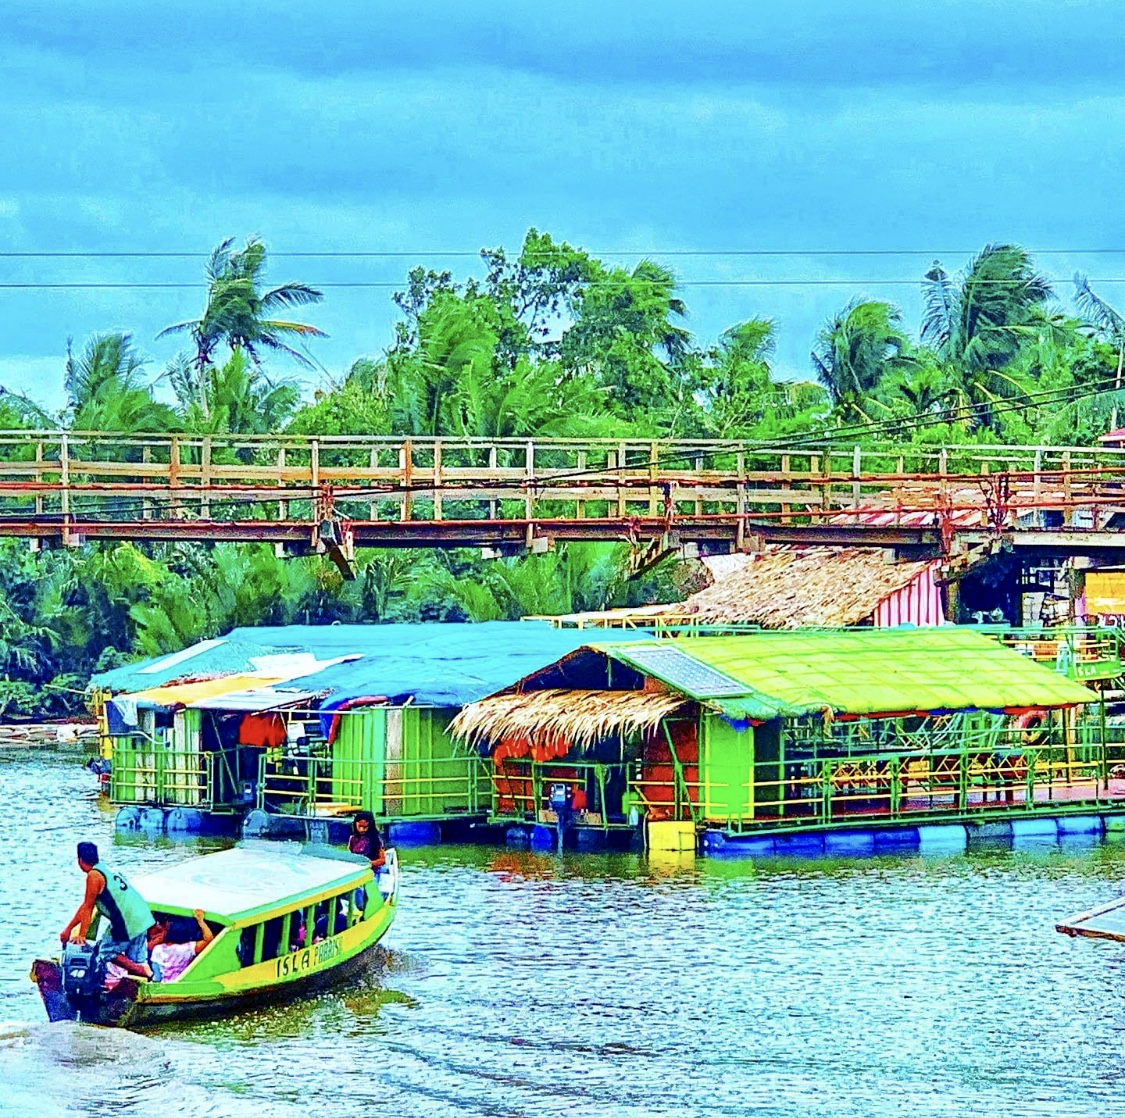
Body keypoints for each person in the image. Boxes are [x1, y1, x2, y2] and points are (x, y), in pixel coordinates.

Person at [60, 842, 154, 977]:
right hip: (142, 915)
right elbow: (86, 905)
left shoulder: (93, 875)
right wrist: (68, 929)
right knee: (137, 958)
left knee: (106, 952)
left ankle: (140, 971)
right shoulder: (105, 868)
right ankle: (149, 977)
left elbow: (88, 908)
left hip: (125, 920)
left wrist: (81, 935)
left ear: (80, 860)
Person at [107, 909, 214, 988]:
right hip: (173, 985)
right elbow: (209, 940)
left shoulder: (158, 948)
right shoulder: (186, 949)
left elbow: (155, 970)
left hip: (158, 983)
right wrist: (201, 921)